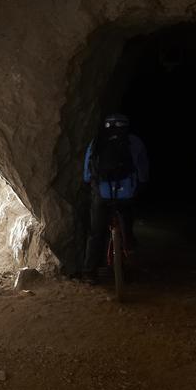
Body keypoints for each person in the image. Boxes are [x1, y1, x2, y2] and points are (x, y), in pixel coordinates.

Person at [82, 113, 149, 284]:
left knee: (96, 232)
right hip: (125, 193)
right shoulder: (134, 142)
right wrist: (140, 183)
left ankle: (90, 272)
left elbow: (87, 174)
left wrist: (91, 183)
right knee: (127, 220)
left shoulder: (96, 141)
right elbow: (142, 170)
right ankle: (129, 249)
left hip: (102, 193)